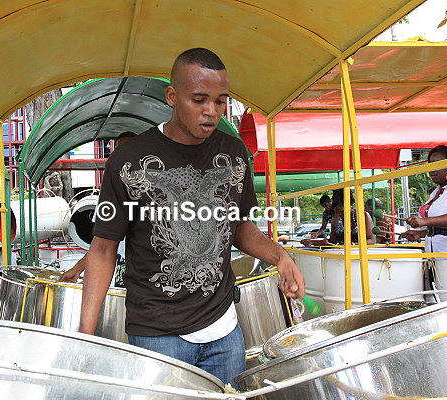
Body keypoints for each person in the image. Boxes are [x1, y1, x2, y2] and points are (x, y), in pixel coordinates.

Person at [60, 48, 304, 388]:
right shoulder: (130, 161)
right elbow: (103, 249)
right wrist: (85, 333)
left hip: (225, 332)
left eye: (220, 101)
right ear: (172, 97)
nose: (211, 111)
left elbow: (239, 227)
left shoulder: (233, 154)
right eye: (199, 100)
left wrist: (280, 256)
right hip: (157, 336)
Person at [65, 131, 137, 285]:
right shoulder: (109, 196)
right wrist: (77, 270)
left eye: (131, 151)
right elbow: (102, 246)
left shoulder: (157, 193)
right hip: (125, 270)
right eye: (120, 152)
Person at [402, 145, 447, 252]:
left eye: (438, 164)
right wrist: (421, 233)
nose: (432, 169)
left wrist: (424, 221)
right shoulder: (436, 192)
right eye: (430, 165)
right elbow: (442, 229)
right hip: (437, 254)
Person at [301, 189, 375, 246]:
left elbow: (371, 241)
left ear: (349, 205)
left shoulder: (364, 216)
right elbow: (332, 241)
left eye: (341, 211)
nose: (339, 214)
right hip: (341, 255)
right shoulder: (335, 219)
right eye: (336, 212)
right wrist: (312, 242)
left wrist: (352, 245)